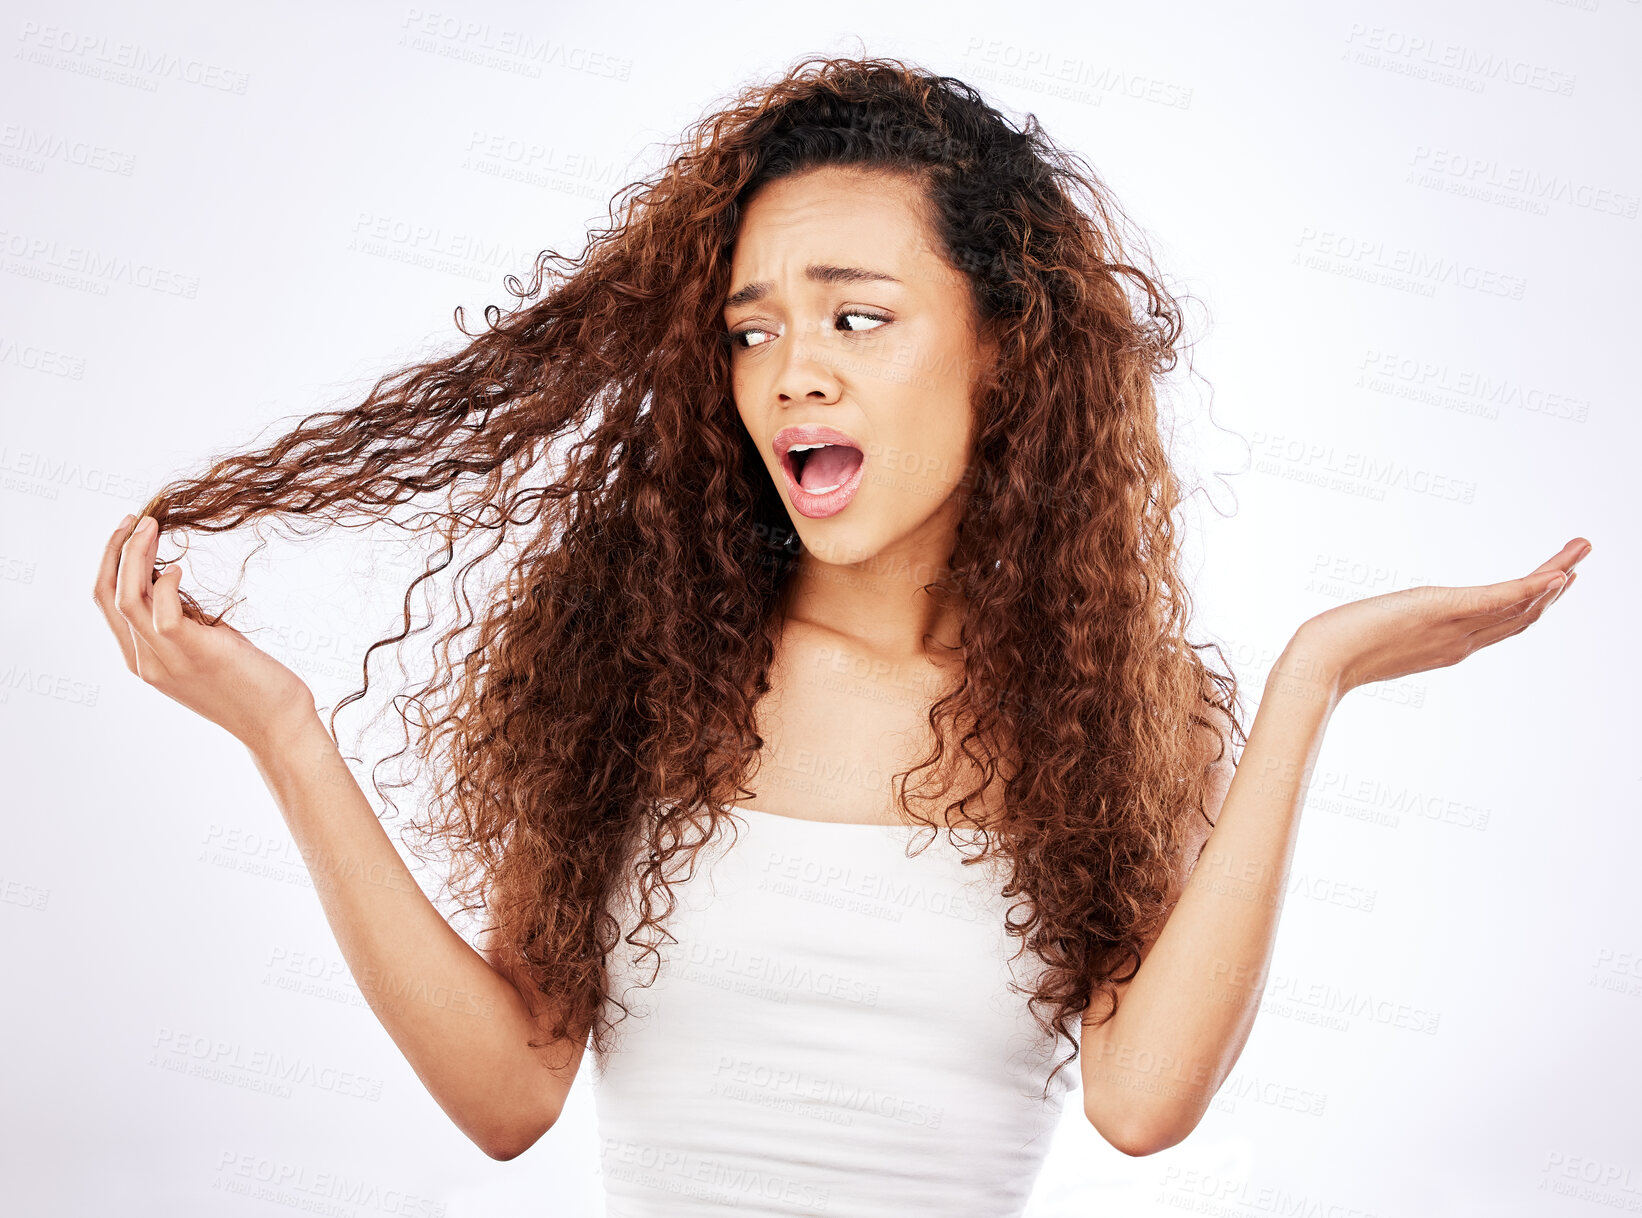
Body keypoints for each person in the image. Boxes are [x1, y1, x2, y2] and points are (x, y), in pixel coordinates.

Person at [89, 54, 1589, 1216]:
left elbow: (1143, 1103)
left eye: (855, 317)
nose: (792, 370)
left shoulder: (1119, 715)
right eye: (753, 329)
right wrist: (284, 733)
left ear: (1005, 348)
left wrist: (1310, 681)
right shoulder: (637, 674)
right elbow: (505, 1095)